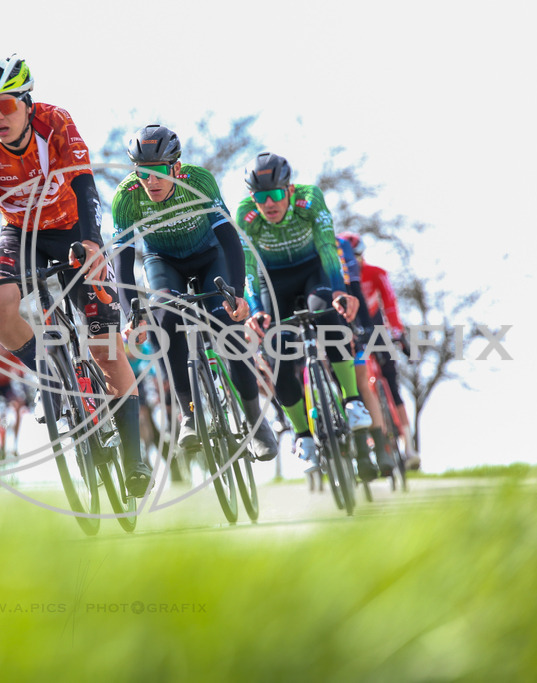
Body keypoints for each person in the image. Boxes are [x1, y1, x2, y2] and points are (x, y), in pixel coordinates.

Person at [0, 54, 152, 497]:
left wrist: (93, 242)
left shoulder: (56, 123)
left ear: (26, 101)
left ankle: (135, 457)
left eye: (5, 105)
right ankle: (52, 377)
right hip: (19, 234)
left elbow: (85, 185)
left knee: (104, 344)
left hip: (71, 229)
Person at [112, 125, 280, 461]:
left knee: (226, 328)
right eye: (143, 173)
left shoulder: (199, 181)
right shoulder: (126, 197)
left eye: (158, 171)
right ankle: (189, 413)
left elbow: (231, 241)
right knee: (165, 318)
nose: (151, 181)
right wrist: (131, 313)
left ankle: (254, 420)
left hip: (210, 256)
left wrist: (238, 295)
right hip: (163, 262)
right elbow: (123, 259)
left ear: (175, 167)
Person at [236, 153, 374, 478]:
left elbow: (327, 245)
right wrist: (256, 311)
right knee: (277, 352)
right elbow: (249, 267)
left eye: (275, 195)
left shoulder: (310, 198)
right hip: (274, 282)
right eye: (260, 197)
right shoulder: (246, 214)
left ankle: (353, 401)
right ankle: (303, 437)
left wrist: (340, 290)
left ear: (289, 189)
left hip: (313, 272)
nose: (268, 203)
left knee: (326, 314)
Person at [345, 233, 420, 469]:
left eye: (357, 256)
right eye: (349, 257)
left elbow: (390, 303)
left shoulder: (376, 273)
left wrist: (398, 333)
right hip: (350, 327)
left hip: (376, 326)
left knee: (391, 382)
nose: (354, 260)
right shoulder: (341, 277)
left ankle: (408, 447)